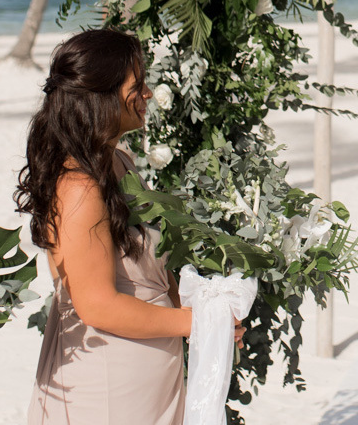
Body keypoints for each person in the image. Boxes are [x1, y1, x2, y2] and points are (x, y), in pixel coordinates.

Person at [17, 30, 229, 424]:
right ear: (103, 95)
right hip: (109, 378)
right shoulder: (79, 186)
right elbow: (97, 304)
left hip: (147, 368)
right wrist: (198, 323)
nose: (148, 94)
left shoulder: (118, 161)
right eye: (137, 86)